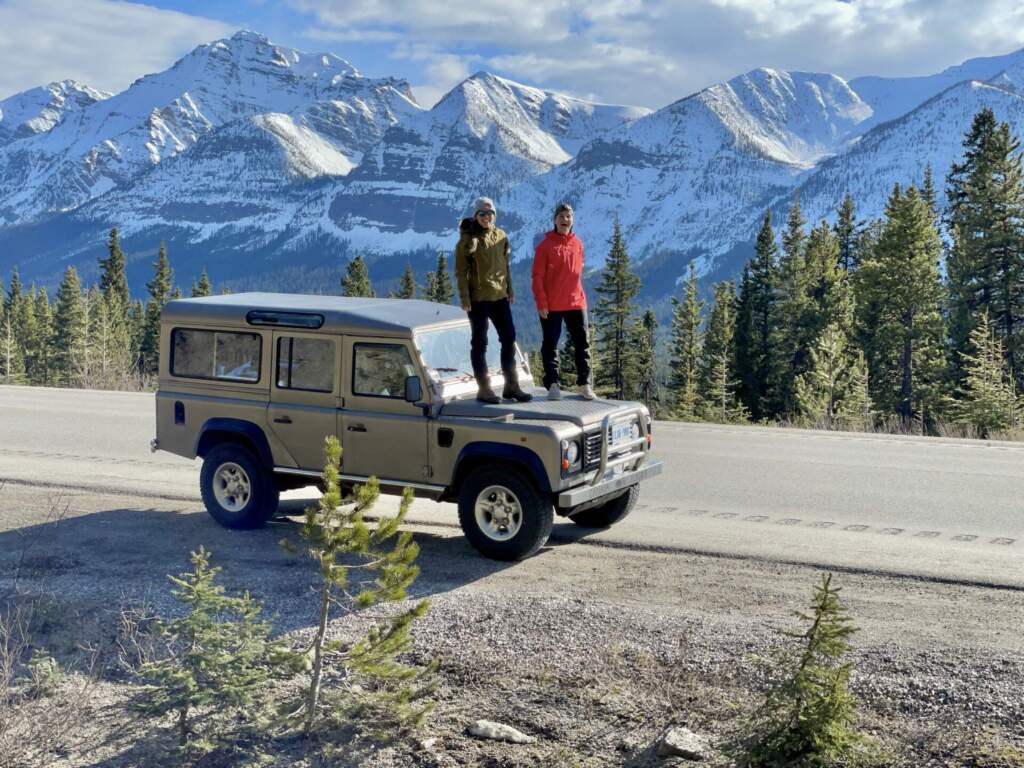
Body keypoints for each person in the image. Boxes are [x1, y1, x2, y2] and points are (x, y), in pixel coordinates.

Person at [455, 196, 532, 404]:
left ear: (495, 215)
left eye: (490, 213)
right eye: (482, 213)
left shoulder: (501, 236)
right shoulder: (467, 240)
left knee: (509, 338)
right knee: (480, 343)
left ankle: (511, 385)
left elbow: (505, 266)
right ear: (476, 215)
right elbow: (461, 272)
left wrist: (510, 290)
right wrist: (465, 297)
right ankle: (484, 388)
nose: (486, 217)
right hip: (478, 299)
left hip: (500, 297)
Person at [531, 202, 594, 400]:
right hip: (553, 304)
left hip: (576, 302)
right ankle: (553, 384)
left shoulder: (578, 244)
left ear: (572, 220)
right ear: (555, 220)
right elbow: (537, 277)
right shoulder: (545, 246)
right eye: (561, 216)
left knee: (583, 343)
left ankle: (585, 384)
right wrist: (541, 302)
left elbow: (577, 272)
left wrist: (581, 298)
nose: (565, 220)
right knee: (550, 344)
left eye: (568, 216)